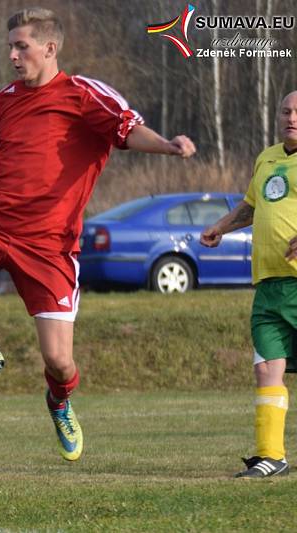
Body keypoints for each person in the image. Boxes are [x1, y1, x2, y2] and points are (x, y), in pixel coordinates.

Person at [0, 7, 196, 462]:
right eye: (10, 46)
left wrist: (167, 146)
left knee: (60, 363)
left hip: (48, 249)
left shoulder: (82, 93)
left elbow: (126, 131)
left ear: (49, 48)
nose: (12, 55)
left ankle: (59, 401)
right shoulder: (4, 100)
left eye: (21, 46)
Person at [200, 90, 297, 478]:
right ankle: (271, 455)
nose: (291, 117)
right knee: (266, 370)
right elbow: (252, 205)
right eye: (285, 110)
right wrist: (220, 227)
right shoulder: (267, 157)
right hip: (269, 285)